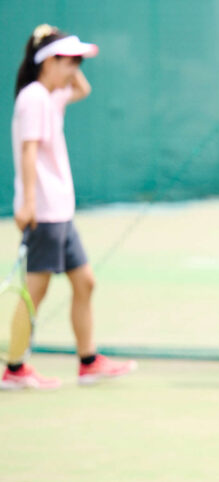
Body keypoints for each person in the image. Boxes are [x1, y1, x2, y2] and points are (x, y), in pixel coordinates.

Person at [1, 24, 138, 390]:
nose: (76, 68)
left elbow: (83, 89)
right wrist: (28, 203)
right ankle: (14, 369)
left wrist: (56, 45)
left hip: (61, 211)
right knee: (35, 292)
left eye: (79, 60)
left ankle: (88, 362)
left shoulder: (51, 95)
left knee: (85, 282)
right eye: (70, 61)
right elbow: (29, 151)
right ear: (48, 63)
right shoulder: (33, 98)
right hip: (43, 213)